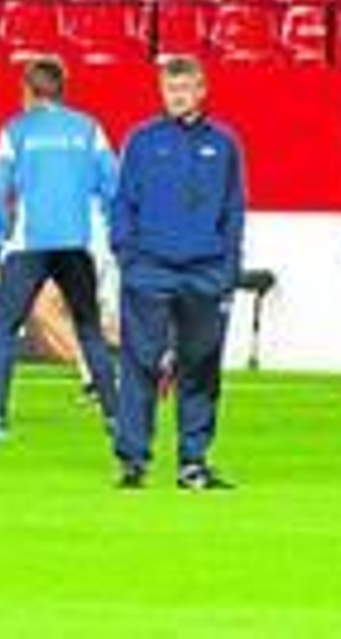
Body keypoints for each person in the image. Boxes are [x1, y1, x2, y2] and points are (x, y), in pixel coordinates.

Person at [0, 57, 120, 441]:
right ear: (61, 89)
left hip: (29, 245)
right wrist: (117, 235)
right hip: (77, 244)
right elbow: (112, 185)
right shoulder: (89, 129)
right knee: (88, 329)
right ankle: (116, 417)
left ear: (28, 90)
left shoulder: (14, 131)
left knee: (4, 327)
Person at [111, 56, 245, 490]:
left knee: (201, 366)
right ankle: (133, 460)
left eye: (185, 89)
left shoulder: (224, 143)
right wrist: (127, 256)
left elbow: (234, 210)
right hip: (148, 269)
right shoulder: (142, 140)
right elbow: (122, 202)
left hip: (205, 272)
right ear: (161, 91)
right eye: (171, 89)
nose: (177, 96)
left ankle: (193, 462)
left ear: (202, 90)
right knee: (140, 363)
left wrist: (228, 270)